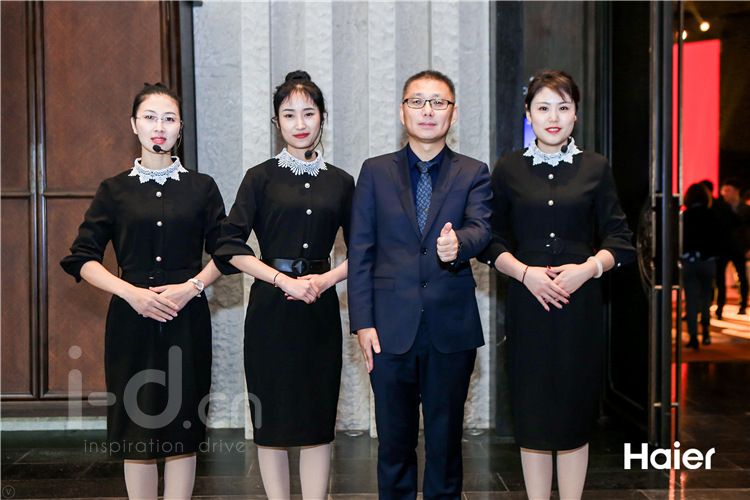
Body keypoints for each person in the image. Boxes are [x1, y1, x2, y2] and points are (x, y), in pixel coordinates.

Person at [61, 83, 226, 499]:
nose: (159, 127)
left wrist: (192, 287)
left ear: (180, 128)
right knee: (136, 429)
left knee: (183, 427)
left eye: (169, 119)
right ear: (134, 125)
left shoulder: (202, 187)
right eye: (150, 118)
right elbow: (82, 258)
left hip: (187, 318)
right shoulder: (114, 190)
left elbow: (228, 252)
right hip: (130, 323)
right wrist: (130, 293)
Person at [479, 70, 634, 499]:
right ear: (527, 113)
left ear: (575, 114)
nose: (553, 117)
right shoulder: (508, 168)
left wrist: (587, 269)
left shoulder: (596, 167)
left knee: (573, 414)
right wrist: (524, 273)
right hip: (527, 304)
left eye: (563, 108)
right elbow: (491, 240)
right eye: (543, 107)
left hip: (579, 307)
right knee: (532, 414)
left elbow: (621, 240)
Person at [348, 69, 492, 499]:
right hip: (389, 328)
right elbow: (361, 250)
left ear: (453, 113)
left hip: (451, 328)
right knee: (394, 444)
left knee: (446, 445)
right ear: (402, 112)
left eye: (438, 102)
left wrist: (459, 244)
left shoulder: (473, 172)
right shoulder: (375, 172)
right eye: (418, 101)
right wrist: (362, 323)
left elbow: (482, 228)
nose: (428, 110)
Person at [212, 71, 353, 499]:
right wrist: (280, 280)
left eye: (308, 113)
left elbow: (367, 249)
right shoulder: (260, 177)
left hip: (320, 308)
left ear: (322, 117)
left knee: (317, 417)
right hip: (270, 309)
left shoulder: (341, 181)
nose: (299, 123)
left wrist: (326, 280)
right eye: (289, 114)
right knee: (270, 418)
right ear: (276, 123)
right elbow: (228, 246)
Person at [682, 183, 720, 348]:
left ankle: (693, 337)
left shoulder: (685, 216)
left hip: (689, 262)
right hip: (708, 262)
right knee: (706, 298)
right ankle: (706, 332)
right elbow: (719, 239)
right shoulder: (712, 215)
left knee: (690, 300)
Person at [714, 178, 750, 317]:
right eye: (724, 190)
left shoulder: (746, 209)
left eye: (728, 190)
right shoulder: (720, 208)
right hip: (722, 248)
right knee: (720, 279)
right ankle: (720, 306)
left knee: (742, 277)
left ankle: (743, 305)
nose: (725, 193)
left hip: (740, 248)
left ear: (736, 191)